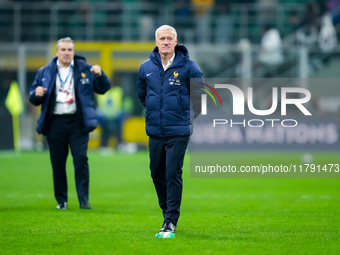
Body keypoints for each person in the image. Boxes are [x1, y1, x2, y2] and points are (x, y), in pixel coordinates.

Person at [29, 37, 111, 210]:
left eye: (69, 50)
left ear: (74, 52)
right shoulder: (45, 72)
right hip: (55, 122)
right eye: (63, 50)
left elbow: (104, 88)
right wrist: (35, 94)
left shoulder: (86, 69)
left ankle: (83, 200)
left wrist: (100, 74)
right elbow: (34, 97)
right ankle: (62, 200)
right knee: (58, 163)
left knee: (81, 159)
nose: (66, 53)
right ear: (57, 52)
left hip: (77, 122)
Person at [137, 25, 203, 236]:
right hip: (156, 130)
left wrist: (185, 118)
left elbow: (199, 100)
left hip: (179, 131)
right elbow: (143, 96)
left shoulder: (190, 68)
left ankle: (170, 221)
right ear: (156, 42)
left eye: (169, 38)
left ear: (176, 42)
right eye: (162, 38)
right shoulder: (145, 68)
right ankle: (167, 212)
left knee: (172, 173)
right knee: (156, 173)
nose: (165, 42)